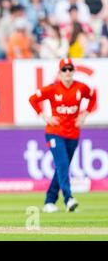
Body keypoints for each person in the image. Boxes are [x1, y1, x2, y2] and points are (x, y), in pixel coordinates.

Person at [29, 58, 97, 214]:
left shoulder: (81, 88)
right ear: (59, 73)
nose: (67, 72)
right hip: (54, 132)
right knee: (63, 164)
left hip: (73, 133)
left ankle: (49, 201)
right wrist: (44, 116)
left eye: (70, 69)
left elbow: (92, 97)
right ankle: (69, 199)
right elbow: (33, 99)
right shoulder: (53, 89)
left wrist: (84, 114)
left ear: (74, 71)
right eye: (64, 70)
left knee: (61, 168)